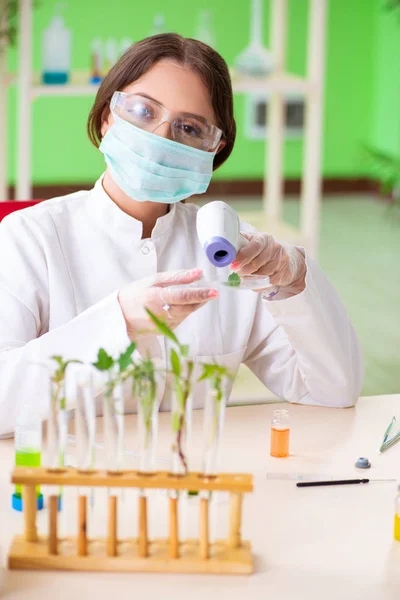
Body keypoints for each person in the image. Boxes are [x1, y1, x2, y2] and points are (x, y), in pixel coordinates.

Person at [0, 34, 363, 435]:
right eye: (142, 110)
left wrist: (296, 280)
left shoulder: (233, 252)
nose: (160, 137)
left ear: (213, 149)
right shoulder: (29, 237)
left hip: (193, 484)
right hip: (64, 485)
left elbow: (332, 391)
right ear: (107, 118)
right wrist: (121, 321)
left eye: (189, 127)